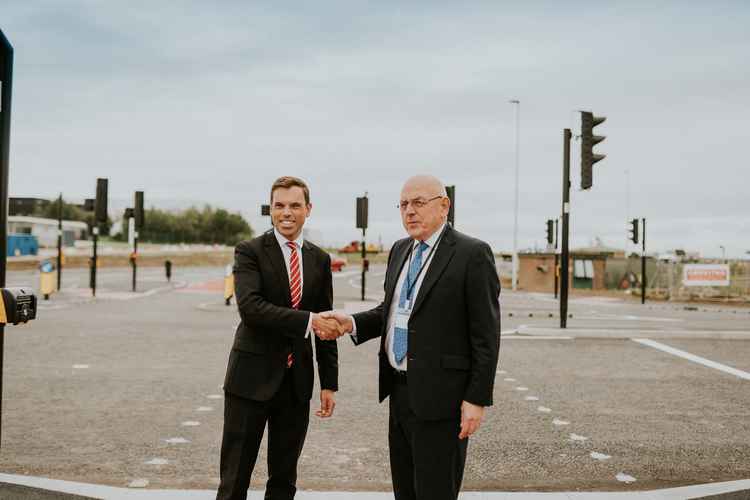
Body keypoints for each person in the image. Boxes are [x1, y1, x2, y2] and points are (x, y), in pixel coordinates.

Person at [322, 175, 500, 500]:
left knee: (435, 492)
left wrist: (477, 399)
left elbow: (486, 335)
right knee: (405, 491)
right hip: (399, 393)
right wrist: (350, 322)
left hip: (443, 400)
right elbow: (389, 312)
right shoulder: (401, 249)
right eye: (403, 204)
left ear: (444, 206)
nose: (409, 212)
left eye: (418, 203)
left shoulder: (471, 254)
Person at [216, 176, 341, 500]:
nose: (287, 212)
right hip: (249, 381)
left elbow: (325, 324)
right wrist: (308, 320)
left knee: (284, 481)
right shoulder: (250, 251)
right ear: (270, 209)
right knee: (234, 481)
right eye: (279, 206)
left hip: (296, 384)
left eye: (295, 205)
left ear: (308, 209)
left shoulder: (319, 259)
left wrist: (329, 383)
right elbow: (252, 309)